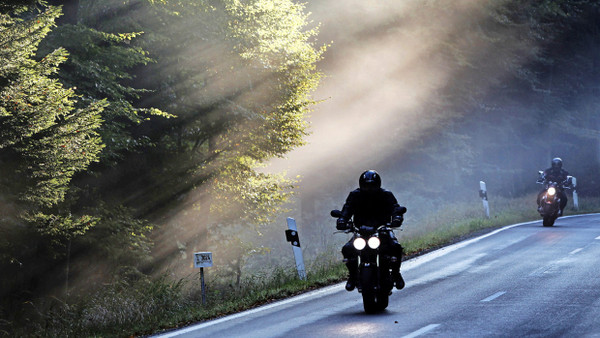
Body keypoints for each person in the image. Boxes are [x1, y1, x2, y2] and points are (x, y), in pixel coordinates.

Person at [335, 170, 407, 292]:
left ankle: (396, 273)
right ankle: (352, 275)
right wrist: (342, 220)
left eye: (372, 185)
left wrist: (397, 218)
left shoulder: (386, 195)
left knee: (395, 247)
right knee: (347, 249)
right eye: (366, 185)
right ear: (361, 184)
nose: (369, 188)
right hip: (361, 232)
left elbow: (395, 208)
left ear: (378, 184)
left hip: (382, 229)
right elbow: (347, 209)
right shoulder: (355, 195)